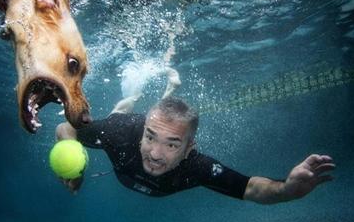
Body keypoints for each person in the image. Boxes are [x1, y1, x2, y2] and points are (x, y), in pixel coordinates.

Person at [56, 68, 335, 203]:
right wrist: (76, 166)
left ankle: (141, 100)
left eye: (172, 144)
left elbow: (249, 187)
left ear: (190, 148)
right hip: (124, 122)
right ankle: (132, 98)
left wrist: (287, 189)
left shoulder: (196, 166)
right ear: (142, 132)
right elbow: (65, 128)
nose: (154, 153)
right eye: (150, 137)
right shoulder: (119, 133)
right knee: (119, 112)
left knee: (129, 114)